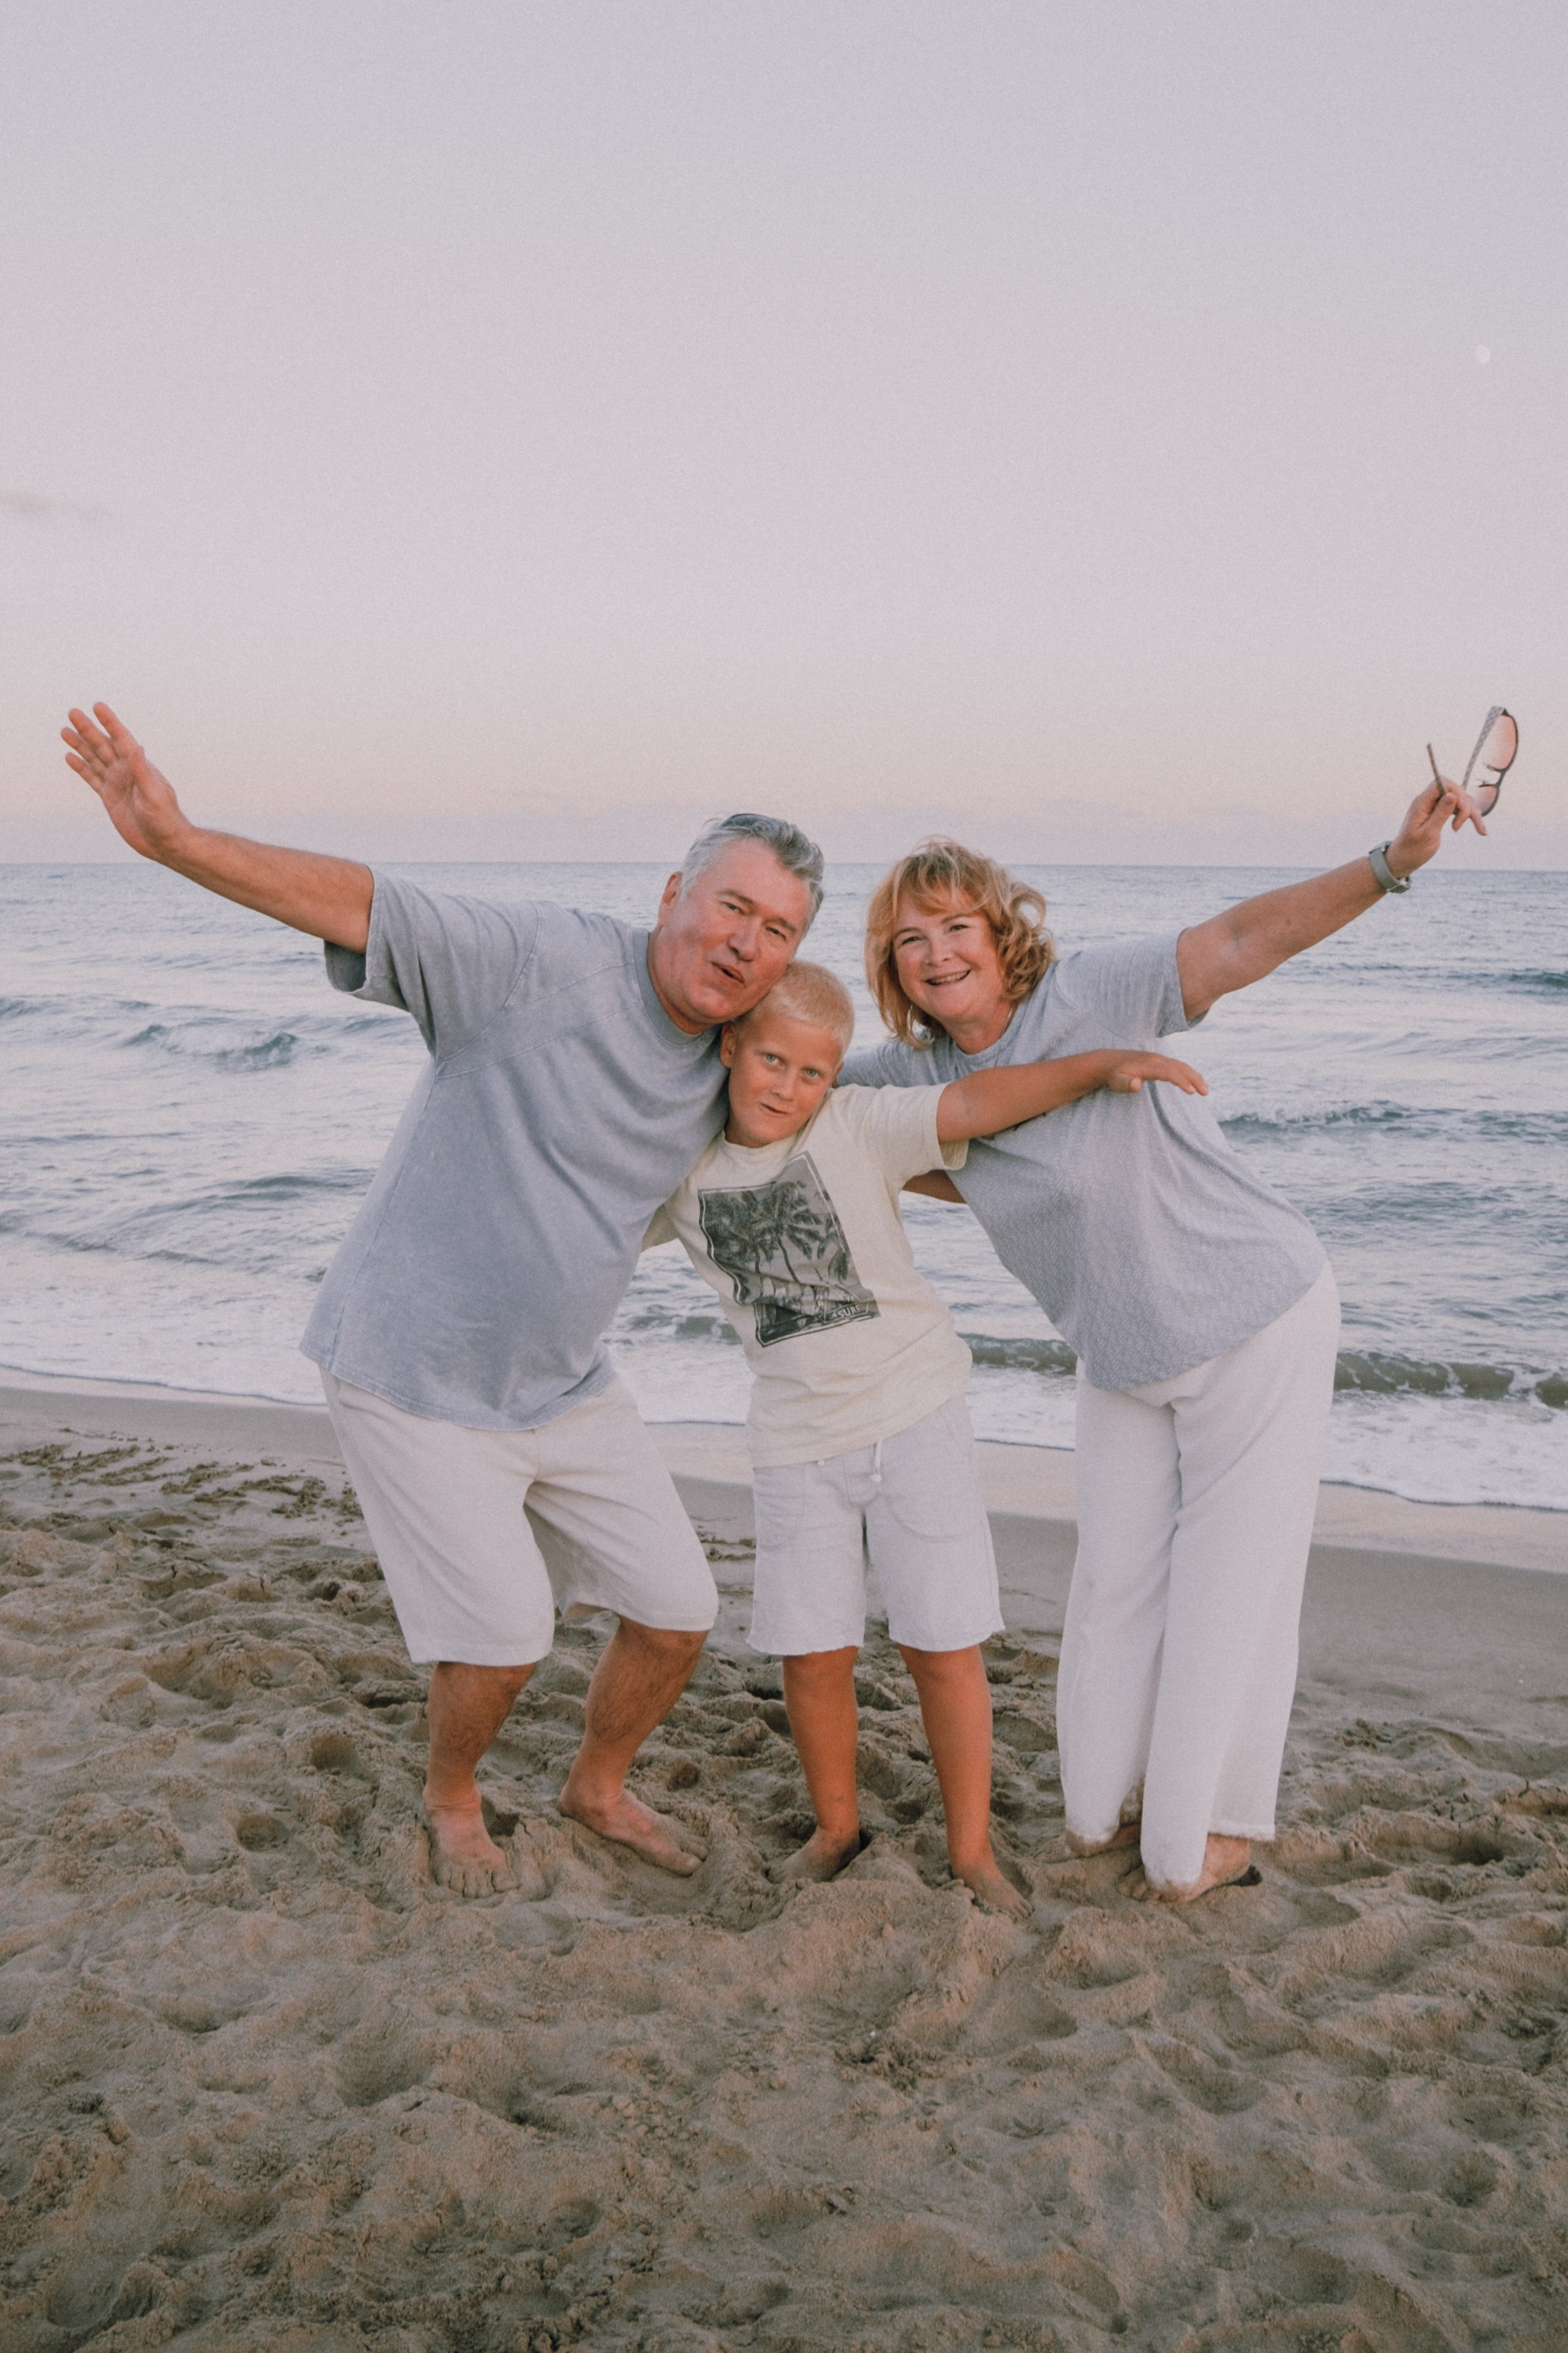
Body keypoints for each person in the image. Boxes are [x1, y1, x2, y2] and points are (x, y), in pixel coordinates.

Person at [61, 700, 821, 1897]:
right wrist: (177, 840)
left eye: (776, 930)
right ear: (676, 890)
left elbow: (854, 1118)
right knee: (506, 1634)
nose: (745, 943)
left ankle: (594, 1785)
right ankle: (450, 1792)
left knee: (677, 1612)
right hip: (410, 1366)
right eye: (733, 906)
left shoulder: (733, 1061)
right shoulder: (534, 962)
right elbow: (365, 901)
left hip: (561, 1384)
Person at [844, 776, 1487, 1901]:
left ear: (1001, 932)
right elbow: (807, 1109)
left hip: (1256, 1313)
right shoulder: (909, 1078)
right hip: (1122, 1353)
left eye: (957, 926)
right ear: (893, 967)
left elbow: (1239, 939)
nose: (939, 952)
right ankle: (1100, 1809)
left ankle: (1201, 1838)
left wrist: (1391, 864)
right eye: (912, 939)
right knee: (1114, 1584)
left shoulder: (1091, 992)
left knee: (1234, 1585)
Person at [644, 958, 1208, 1917]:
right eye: (772, 1060)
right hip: (793, 1443)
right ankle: (835, 1827)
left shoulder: (858, 1125)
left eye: (813, 1071)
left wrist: (1100, 1065)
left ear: (835, 1079)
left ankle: (972, 1847)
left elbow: (982, 1100)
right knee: (812, 1653)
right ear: (731, 1046)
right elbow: (579, 1213)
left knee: (942, 1644)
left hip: (916, 1417)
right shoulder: (684, 1170)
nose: (789, 1087)